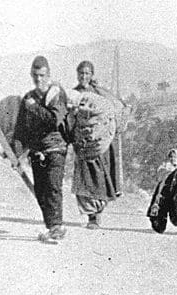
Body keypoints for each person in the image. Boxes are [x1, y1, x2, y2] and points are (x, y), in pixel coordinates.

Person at [13, 56, 69, 242]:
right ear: (31, 75)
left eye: (42, 75)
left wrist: (35, 108)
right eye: (35, 75)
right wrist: (17, 153)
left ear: (49, 75)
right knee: (41, 191)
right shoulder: (28, 98)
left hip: (56, 148)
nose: (39, 79)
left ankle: (56, 226)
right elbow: (20, 129)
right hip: (37, 151)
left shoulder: (57, 94)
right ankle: (52, 226)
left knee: (53, 187)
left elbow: (54, 120)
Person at [69, 60, 121, 229]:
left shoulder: (99, 92)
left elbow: (113, 109)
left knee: (98, 177)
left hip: (99, 144)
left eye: (87, 73)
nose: (84, 76)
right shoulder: (73, 93)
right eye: (81, 73)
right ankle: (91, 214)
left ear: (92, 75)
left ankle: (96, 215)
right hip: (82, 143)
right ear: (77, 74)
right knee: (84, 178)